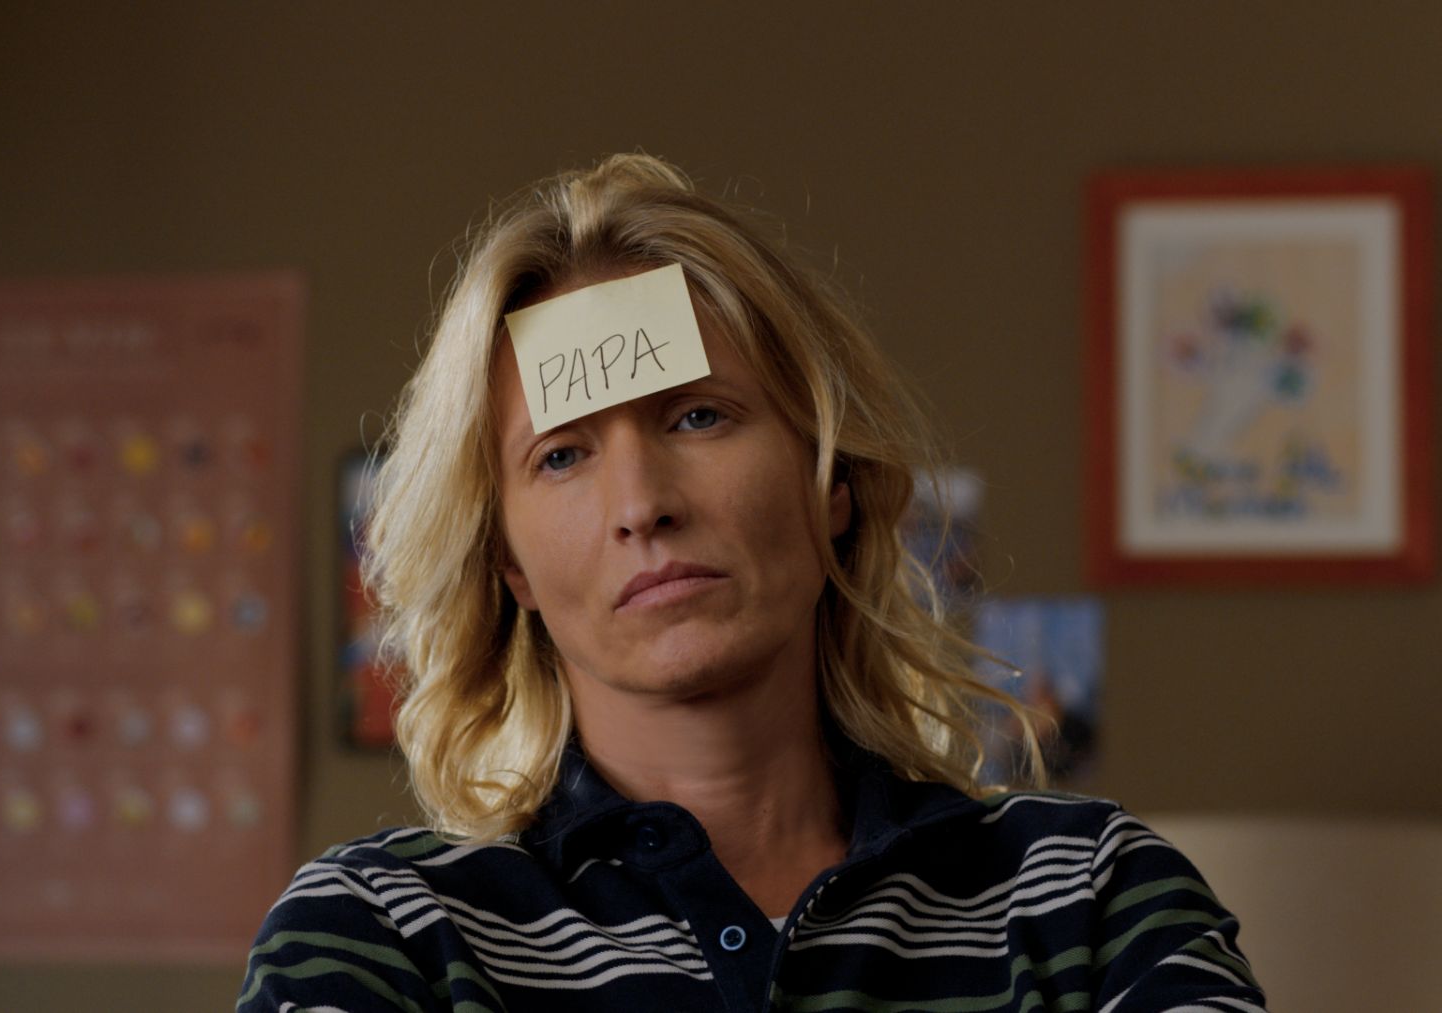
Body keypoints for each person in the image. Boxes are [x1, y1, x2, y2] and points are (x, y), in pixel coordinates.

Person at [237, 154, 1265, 1012]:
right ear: (509, 562)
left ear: (831, 480)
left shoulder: (1091, 900)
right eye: (563, 455)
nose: (642, 503)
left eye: (699, 416)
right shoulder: (381, 933)